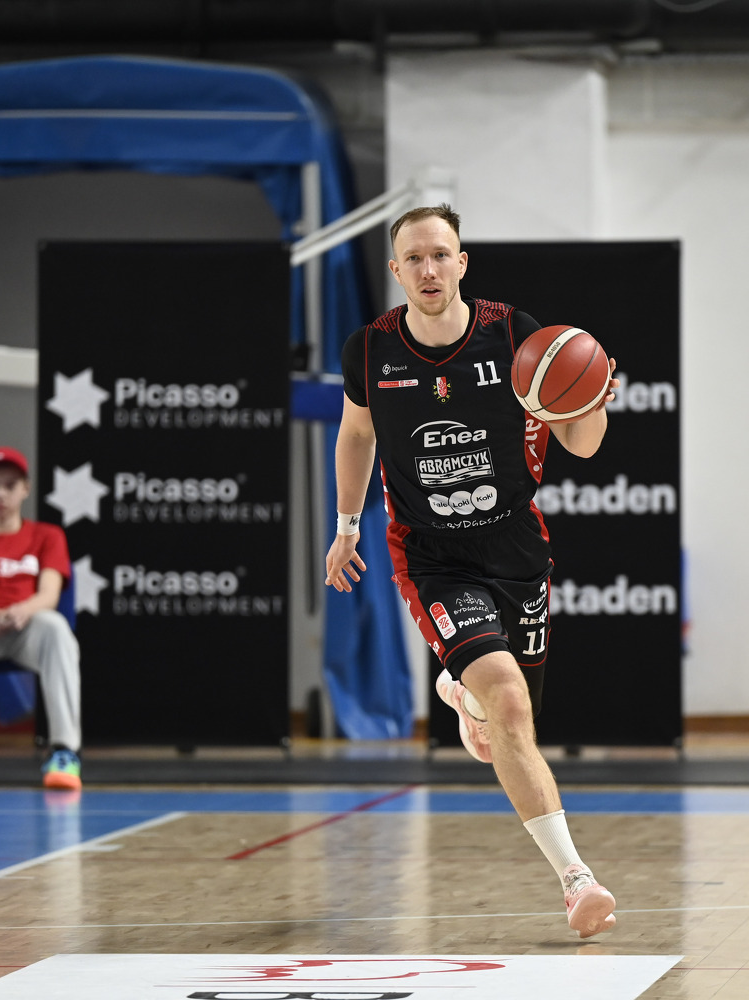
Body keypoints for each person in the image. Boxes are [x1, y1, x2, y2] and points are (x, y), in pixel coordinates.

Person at [325, 205, 620, 938]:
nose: (428, 269)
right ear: (396, 271)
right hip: (432, 556)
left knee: (512, 716)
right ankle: (575, 879)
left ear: (462, 262)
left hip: (515, 546)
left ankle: (463, 696)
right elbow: (356, 433)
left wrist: (590, 396)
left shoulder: (515, 334)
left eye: (440, 255)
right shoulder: (370, 349)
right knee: (510, 706)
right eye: (414, 258)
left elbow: (582, 444)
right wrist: (346, 526)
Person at [0, 446, 83, 791]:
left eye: (10, 485)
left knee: (56, 628)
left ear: (25, 489)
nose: (1, 494)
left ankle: (64, 753)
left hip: (26, 628)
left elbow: (49, 596)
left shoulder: (48, 536)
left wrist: (23, 610)